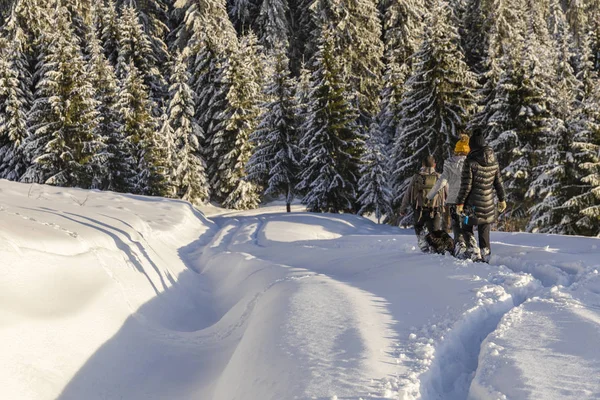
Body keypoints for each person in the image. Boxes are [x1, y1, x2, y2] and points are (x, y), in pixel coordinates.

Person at [455, 133, 507, 262]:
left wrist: (460, 203)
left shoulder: (470, 162)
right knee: (484, 227)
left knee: (466, 227)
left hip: (471, 204)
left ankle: (473, 250)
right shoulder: (493, 161)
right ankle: (485, 253)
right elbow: (498, 183)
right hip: (488, 202)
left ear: (472, 146)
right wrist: (502, 199)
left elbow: (466, 186)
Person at [426, 133, 470, 255]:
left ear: (456, 151)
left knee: (456, 223)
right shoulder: (471, 163)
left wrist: (430, 195)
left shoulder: (449, 164)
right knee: (466, 222)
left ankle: (458, 244)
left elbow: (442, 182)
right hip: (468, 199)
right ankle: (467, 244)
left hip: (453, 199)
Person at [399, 155, 445, 252]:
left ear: (423, 165)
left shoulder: (416, 177)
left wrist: (403, 208)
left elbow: (408, 193)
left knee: (418, 226)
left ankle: (423, 243)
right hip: (435, 209)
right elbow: (447, 193)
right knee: (435, 231)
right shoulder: (439, 177)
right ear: (434, 165)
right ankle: (435, 248)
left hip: (419, 209)